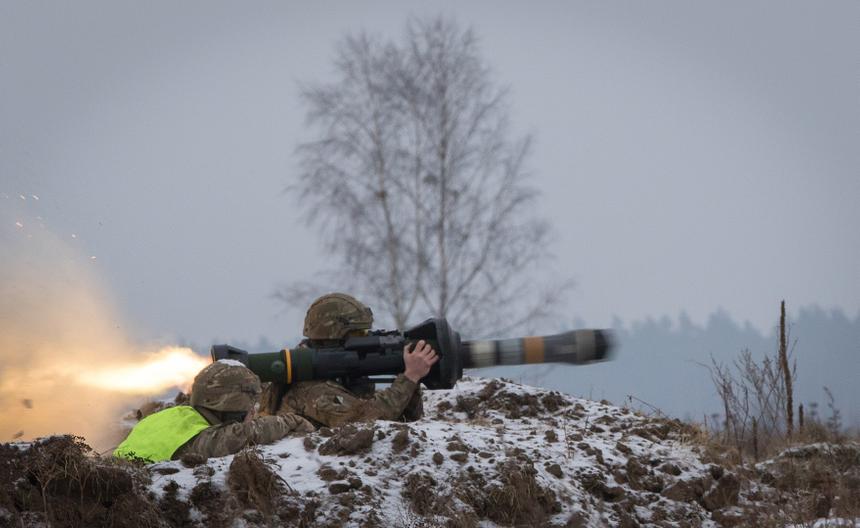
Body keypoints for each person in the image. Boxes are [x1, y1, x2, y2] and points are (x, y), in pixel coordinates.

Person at [260, 293, 439, 428]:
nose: (367, 338)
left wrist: (411, 382)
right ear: (332, 337)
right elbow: (366, 422)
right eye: (359, 334)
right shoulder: (310, 388)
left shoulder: (340, 377)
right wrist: (409, 378)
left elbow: (402, 424)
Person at [114, 360, 313, 463]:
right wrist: (290, 422)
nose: (254, 412)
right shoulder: (201, 438)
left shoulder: (172, 415)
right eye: (251, 406)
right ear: (231, 405)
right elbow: (241, 435)